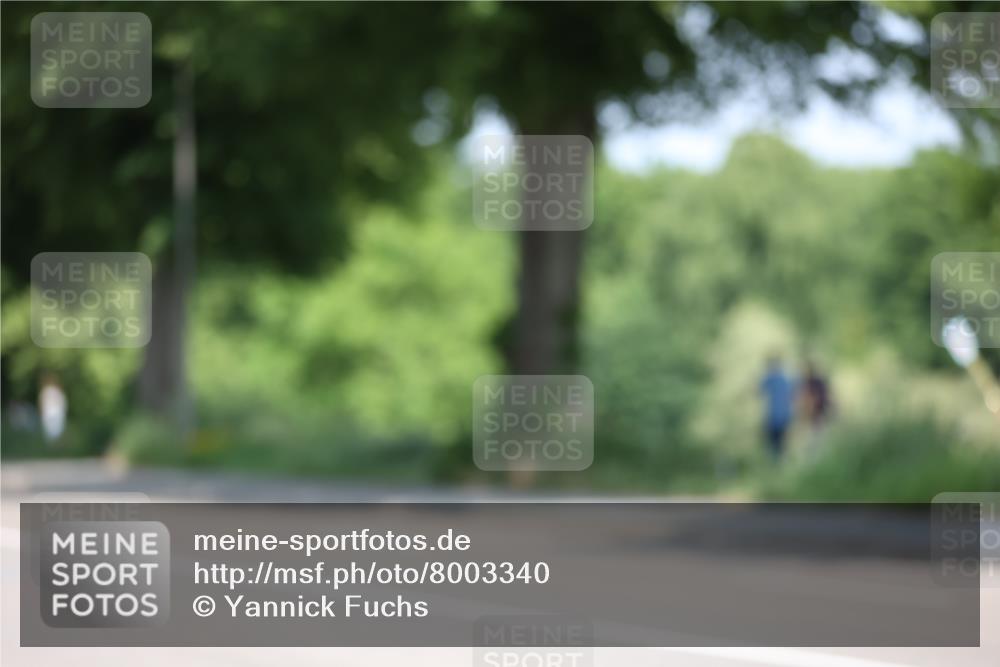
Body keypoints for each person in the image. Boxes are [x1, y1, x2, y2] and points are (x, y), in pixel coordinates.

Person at [759, 355, 795, 461]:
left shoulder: (776, 379)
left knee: (778, 445)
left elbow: (759, 391)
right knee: (776, 445)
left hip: (779, 417)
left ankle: (779, 463)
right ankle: (778, 463)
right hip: (776, 417)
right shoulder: (781, 378)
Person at [800, 360, 832, 453]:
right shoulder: (815, 381)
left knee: (818, 434)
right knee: (817, 434)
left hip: (818, 411)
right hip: (818, 411)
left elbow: (812, 398)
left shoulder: (811, 382)